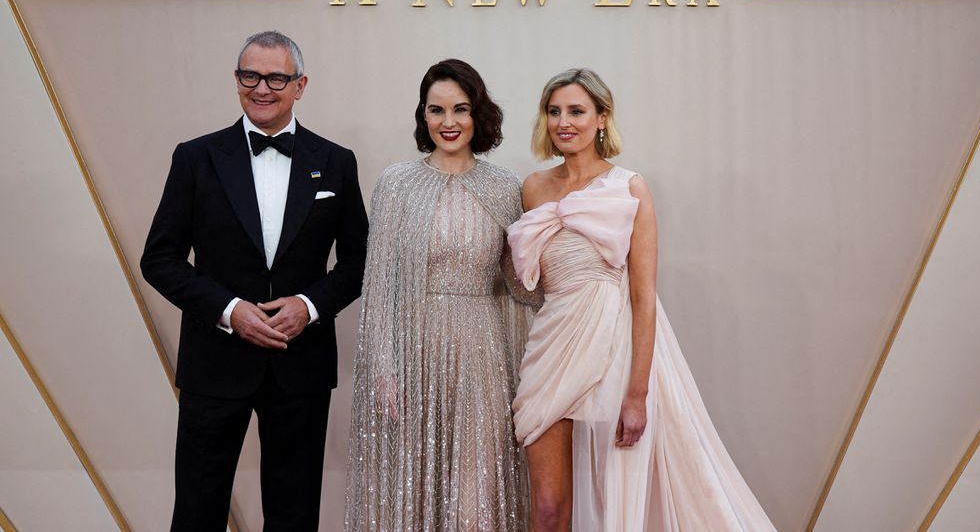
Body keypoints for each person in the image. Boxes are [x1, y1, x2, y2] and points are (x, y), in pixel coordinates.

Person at [508, 69, 776, 531]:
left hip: (614, 348)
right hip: (551, 347)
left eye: (576, 111)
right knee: (548, 509)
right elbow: (530, 283)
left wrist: (638, 395)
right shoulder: (533, 188)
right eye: (554, 112)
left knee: (616, 501)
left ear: (601, 117)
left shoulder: (630, 186)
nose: (563, 122)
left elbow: (644, 296)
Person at [140, 31, 368, 531]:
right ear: (236, 80)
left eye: (276, 78)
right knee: (198, 509)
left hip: (300, 364)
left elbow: (359, 261)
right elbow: (159, 259)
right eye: (250, 76)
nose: (261, 88)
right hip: (214, 363)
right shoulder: (195, 158)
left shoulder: (335, 161)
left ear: (300, 85)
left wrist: (308, 306)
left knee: (294, 513)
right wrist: (229, 311)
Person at [344, 59, 540, 532]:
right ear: (423, 116)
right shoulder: (395, 184)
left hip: (482, 356)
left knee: (475, 496)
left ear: (479, 115)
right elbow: (380, 285)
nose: (448, 123)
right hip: (413, 354)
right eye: (436, 110)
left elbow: (517, 285)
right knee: (415, 491)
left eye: (460, 109)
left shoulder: (506, 187)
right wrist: (385, 368)